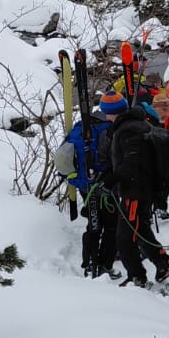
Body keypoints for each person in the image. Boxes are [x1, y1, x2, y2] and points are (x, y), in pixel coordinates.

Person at [98, 93, 169, 288]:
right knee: (140, 229)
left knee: (125, 237)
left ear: (112, 113)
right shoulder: (136, 125)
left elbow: (133, 163)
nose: (105, 117)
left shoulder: (127, 131)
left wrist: (112, 178)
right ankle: (162, 263)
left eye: (106, 113)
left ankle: (137, 276)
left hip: (135, 191)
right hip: (140, 189)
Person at [53, 106, 115, 278]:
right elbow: (111, 158)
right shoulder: (107, 130)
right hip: (102, 186)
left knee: (93, 225)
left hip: (82, 185)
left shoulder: (78, 128)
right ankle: (104, 266)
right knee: (111, 226)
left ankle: (88, 263)